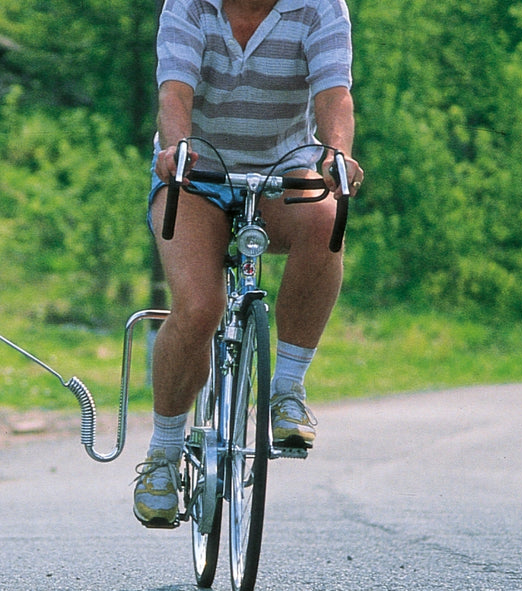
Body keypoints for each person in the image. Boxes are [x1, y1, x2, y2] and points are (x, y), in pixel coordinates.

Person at [134, 0, 365, 527]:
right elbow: (175, 91)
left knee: (327, 218)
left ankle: (286, 391)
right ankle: (163, 457)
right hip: (196, 173)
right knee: (199, 306)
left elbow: (335, 94)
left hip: (284, 169)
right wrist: (176, 149)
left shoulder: (320, 7)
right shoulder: (190, 6)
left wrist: (336, 154)